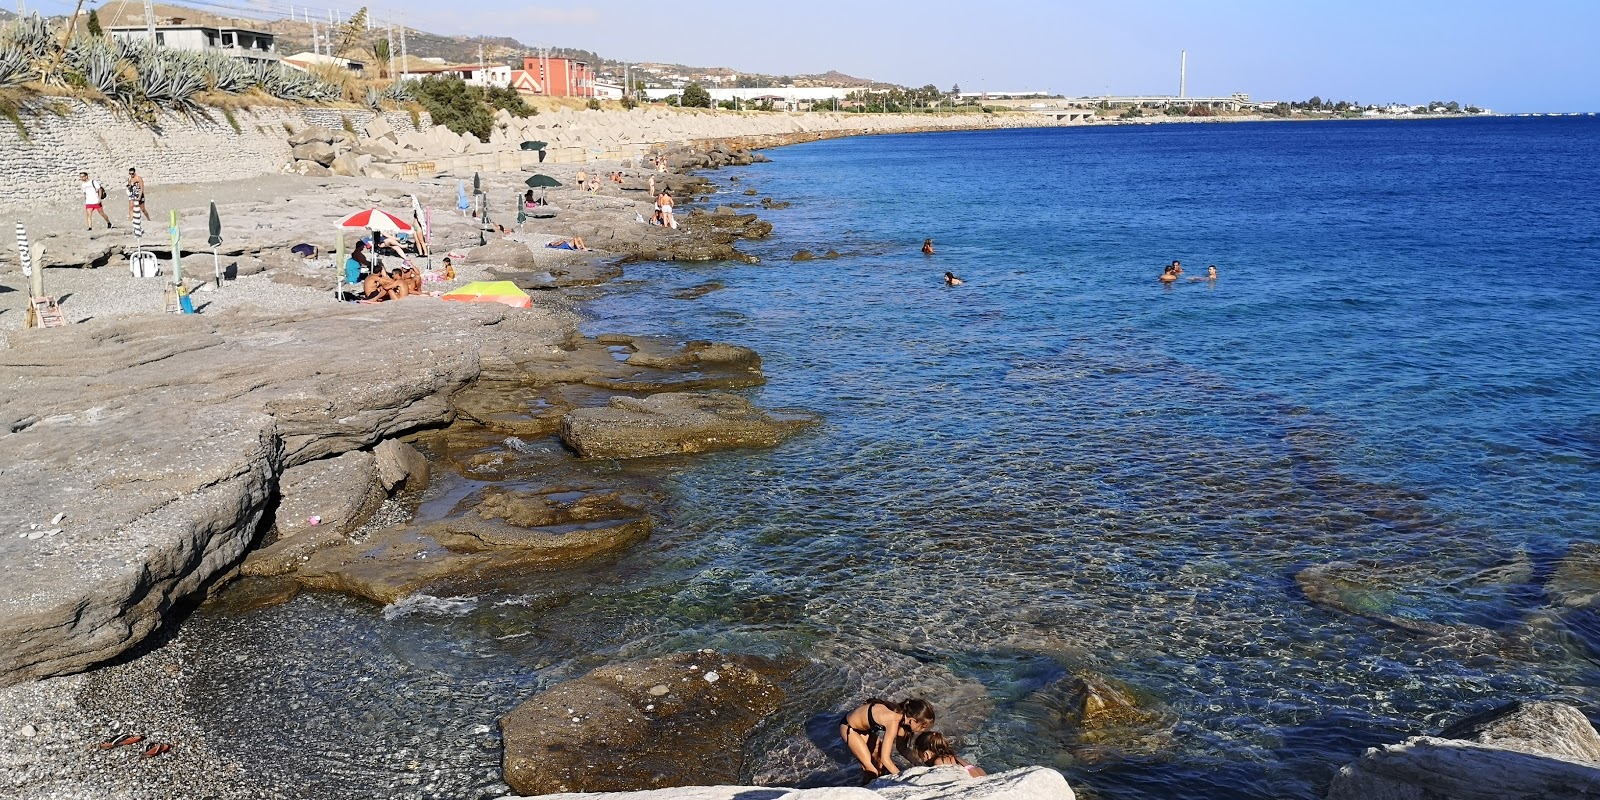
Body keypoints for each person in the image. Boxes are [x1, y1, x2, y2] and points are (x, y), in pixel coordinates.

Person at [838, 698, 936, 784]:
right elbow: (886, 759)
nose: (923, 730)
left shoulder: (903, 720)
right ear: (913, 720)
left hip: (866, 729)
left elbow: (902, 748)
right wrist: (902, 779)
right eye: (923, 727)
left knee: (880, 766)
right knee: (872, 770)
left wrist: (921, 766)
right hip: (850, 727)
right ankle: (865, 791)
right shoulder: (893, 720)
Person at [910, 732, 985, 778]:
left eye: (920, 755)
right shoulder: (956, 758)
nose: (921, 759)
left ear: (926, 753)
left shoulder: (939, 761)